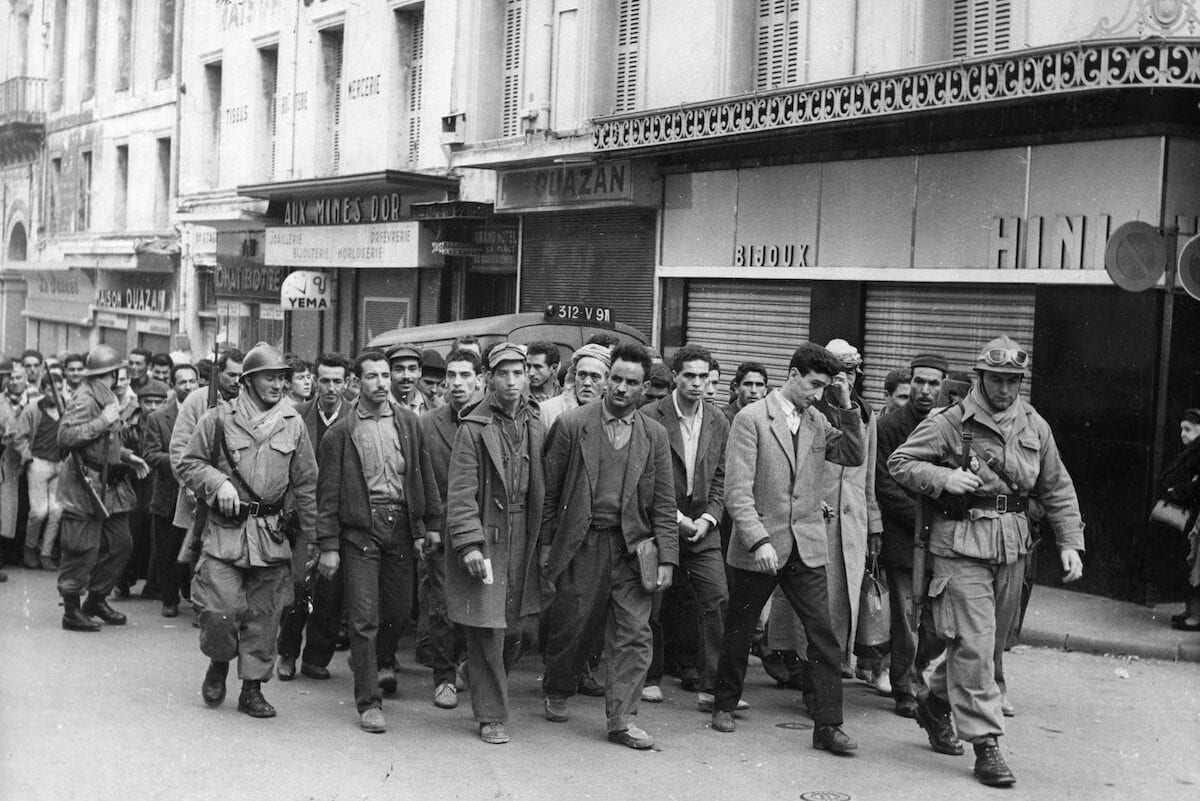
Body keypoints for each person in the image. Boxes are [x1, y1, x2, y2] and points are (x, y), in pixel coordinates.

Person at [888, 335, 1085, 787]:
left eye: (1013, 380)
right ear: (980, 377)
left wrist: (1070, 542)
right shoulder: (950, 421)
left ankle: (934, 704)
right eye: (996, 379)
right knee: (974, 644)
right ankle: (986, 744)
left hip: (1013, 546)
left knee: (987, 646)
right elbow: (900, 463)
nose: (1005, 389)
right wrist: (942, 476)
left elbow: (1057, 486)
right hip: (960, 546)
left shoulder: (1034, 425)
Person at [711, 342, 864, 755]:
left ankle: (829, 726)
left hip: (806, 546)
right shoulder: (752, 419)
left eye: (825, 387)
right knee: (740, 630)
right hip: (761, 545)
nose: (818, 394)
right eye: (814, 384)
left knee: (823, 635)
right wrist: (757, 538)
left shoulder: (818, 420)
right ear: (793, 374)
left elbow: (852, 453)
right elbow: (737, 491)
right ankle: (724, 703)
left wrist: (845, 402)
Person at [540, 344, 677, 750]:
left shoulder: (654, 435)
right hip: (584, 543)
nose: (619, 388)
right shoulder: (571, 424)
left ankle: (622, 718)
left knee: (634, 634)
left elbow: (665, 502)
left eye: (630, 382)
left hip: (634, 549)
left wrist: (667, 557)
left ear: (645, 388)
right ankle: (559, 684)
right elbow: (549, 495)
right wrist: (548, 546)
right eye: (614, 378)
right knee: (575, 622)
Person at [178, 343, 318, 719]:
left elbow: (306, 483)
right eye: (270, 378)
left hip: (271, 535)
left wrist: (311, 537)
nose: (278, 384)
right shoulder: (218, 419)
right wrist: (216, 481)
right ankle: (219, 663)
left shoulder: (294, 423)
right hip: (226, 532)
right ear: (249, 381)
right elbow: (189, 463)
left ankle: (252, 689)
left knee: (265, 615)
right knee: (219, 611)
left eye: (282, 378)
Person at [314, 351, 441, 733]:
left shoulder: (409, 422)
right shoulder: (341, 432)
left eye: (386, 375)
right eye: (372, 376)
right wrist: (329, 545)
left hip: (401, 527)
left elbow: (424, 474)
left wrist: (430, 524)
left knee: (399, 612)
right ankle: (369, 701)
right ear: (357, 382)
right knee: (363, 617)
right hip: (360, 533)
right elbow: (327, 494)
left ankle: (375, 660)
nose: (383, 383)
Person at [444, 343, 546, 744]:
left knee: (520, 628)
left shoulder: (535, 422)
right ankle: (490, 715)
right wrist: (469, 544)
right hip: (489, 535)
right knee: (488, 628)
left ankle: (476, 673)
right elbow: (461, 493)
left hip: (527, 534)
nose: (512, 381)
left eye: (518, 373)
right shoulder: (473, 427)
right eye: (503, 373)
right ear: (488, 378)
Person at [766, 339, 883, 684]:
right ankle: (800, 664)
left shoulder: (862, 411)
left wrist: (872, 522)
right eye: (839, 371)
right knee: (811, 603)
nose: (844, 379)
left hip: (852, 522)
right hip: (813, 519)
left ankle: (832, 667)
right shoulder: (809, 411)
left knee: (843, 599)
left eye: (851, 371)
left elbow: (868, 470)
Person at [640, 344, 731, 712]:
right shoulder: (650, 415)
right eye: (689, 375)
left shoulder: (717, 420)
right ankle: (649, 676)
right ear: (675, 376)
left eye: (703, 377)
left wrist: (708, 518)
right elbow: (643, 481)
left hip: (703, 526)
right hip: (661, 521)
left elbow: (723, 478)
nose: (697, 384)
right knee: (652, 602)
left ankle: (713, 686)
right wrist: (677, 521)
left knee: (717, 597)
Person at [874, 352, 949, 719]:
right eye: (918, 382)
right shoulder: (888, 426)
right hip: (905, 540)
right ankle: (904, 686)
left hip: (945, 542)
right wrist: (921, 520)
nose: (924, 390)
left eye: (933, 383)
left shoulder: (953, 427)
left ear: (944, 386)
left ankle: (917, 668)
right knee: (906, 618)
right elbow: (885, 483)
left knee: (937, 626)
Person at [56, 345, 151, 632]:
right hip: (85, 483)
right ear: (107, 374)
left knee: (122, 544)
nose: (118, 378)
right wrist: (102, 421)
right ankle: (71, 610)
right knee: (81, 548)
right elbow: (65, 437)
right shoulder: (86, 399)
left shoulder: (105, 396)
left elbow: (106, 443)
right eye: (114, 373)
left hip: (109, 482)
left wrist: (126, 456)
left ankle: (96, 598)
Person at [277, 353, 354, 681]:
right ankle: (287, 654)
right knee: (298, 586)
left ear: (348, 383)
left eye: (338, 381)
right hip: (303, 513)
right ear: (315, 381)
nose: (331, 388)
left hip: (340, 516)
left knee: (331, 593)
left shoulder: (355, 417)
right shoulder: (297, 416)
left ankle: (316, 657)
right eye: (325, 380)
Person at [418, 348, 481, 710]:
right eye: (451, 376)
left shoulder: (491, 420)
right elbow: (420, 480)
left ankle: (467, 666)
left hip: (481, 532)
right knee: (442, 608)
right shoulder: (428, 424)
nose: (457, 384)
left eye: (465, 376)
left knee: (478, 609)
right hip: (441, 532)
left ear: (478, 380)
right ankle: (444, 678)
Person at [142, 363, 199, 617]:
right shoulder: (159, 417)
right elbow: (150, 454)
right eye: (182, 382)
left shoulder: (207, 412)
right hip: (168, 494)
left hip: (196, 494)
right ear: (173, 386)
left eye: (192, 381)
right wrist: (182, 462)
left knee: (196, 549)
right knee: (166, 550)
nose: (188, 386)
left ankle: (196, 597)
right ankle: (169, 599)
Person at [1148, 408, 1200, 630]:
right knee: (1187, 565)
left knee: (1195, 566)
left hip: (1195, 518)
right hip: (1188, 517)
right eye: (1181, 429)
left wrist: (1178, 490)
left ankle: (1196, 616)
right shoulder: (1191, 450)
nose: (1183, 433)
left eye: (1188, 429)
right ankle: (1190, 611)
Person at [13, 371, 66, 570]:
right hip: (39, 463)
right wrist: (28, 457)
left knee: (56, 510)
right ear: (43, 390)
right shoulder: (33, 409)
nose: (56, 394)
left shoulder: (66, 408)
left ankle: (46, 552)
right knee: (39, 511)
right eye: (51, 390)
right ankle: (29, 549)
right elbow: (19, 437)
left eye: (59, 390)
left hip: (59, 464)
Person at [539, 343, 610, 430]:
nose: (587, 382)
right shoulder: (546, 411)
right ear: (574, 375)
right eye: (582, 375)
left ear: (607, 380)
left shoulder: (614, 414)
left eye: (595, 376)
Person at [0, 358, 28, 548]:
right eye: (6, 377)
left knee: (7, 511)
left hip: (10, 463)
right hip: (4, 459)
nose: (9, 381)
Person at [386, 344, 430, 414]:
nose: (406, 376)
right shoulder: (378, 405)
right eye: (399, 370)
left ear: (420, 372)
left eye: (412, 369)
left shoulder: (432, 408)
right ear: (390, 372)